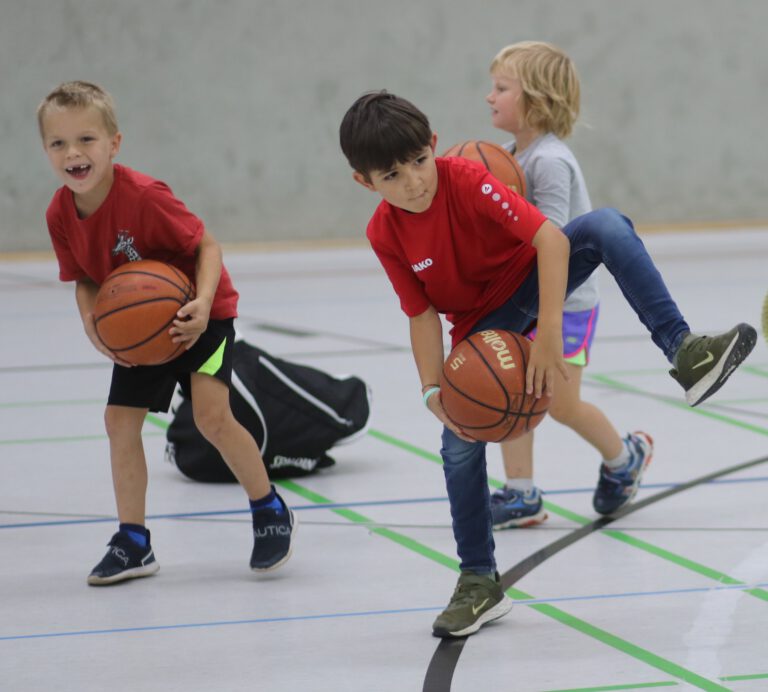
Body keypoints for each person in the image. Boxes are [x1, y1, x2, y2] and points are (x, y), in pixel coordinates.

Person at [338, 90, 756, 638]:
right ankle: (478, 581)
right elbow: (420, 315)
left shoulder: (465, 177)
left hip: (529, 280)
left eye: (418, 162)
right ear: (365, 182)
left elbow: (550, 240)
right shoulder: (383, 233)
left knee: (606, 225)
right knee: (457, 443)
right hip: (476, 329)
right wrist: (429, 389)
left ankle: (684, 351)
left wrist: (548, 334)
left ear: (433, 146)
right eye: (392, 175)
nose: (414, 181)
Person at [38, 81, 296, 586]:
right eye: (58, 144)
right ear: (46, 151)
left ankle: (268, 508)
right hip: (138, 327)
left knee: (212, 418)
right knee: (119, 422)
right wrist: (93, 323)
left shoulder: (145, 196)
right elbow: (86, 280)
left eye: (86, 139)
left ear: (114, 144)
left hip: (202, 315)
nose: (73, 153)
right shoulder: (59, 214)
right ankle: (133, 542)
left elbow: (209, 246)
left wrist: (201, 305)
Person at [485, 41, 652, 529]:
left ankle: (626, 458)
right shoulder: (509, 156)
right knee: (511, 391)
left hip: (567, 304)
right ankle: (521, 493)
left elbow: (553, 242)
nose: (488, 96)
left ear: (534, 99)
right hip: (526, 300)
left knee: (561, 405)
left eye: (500, 88)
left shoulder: (550, 162)